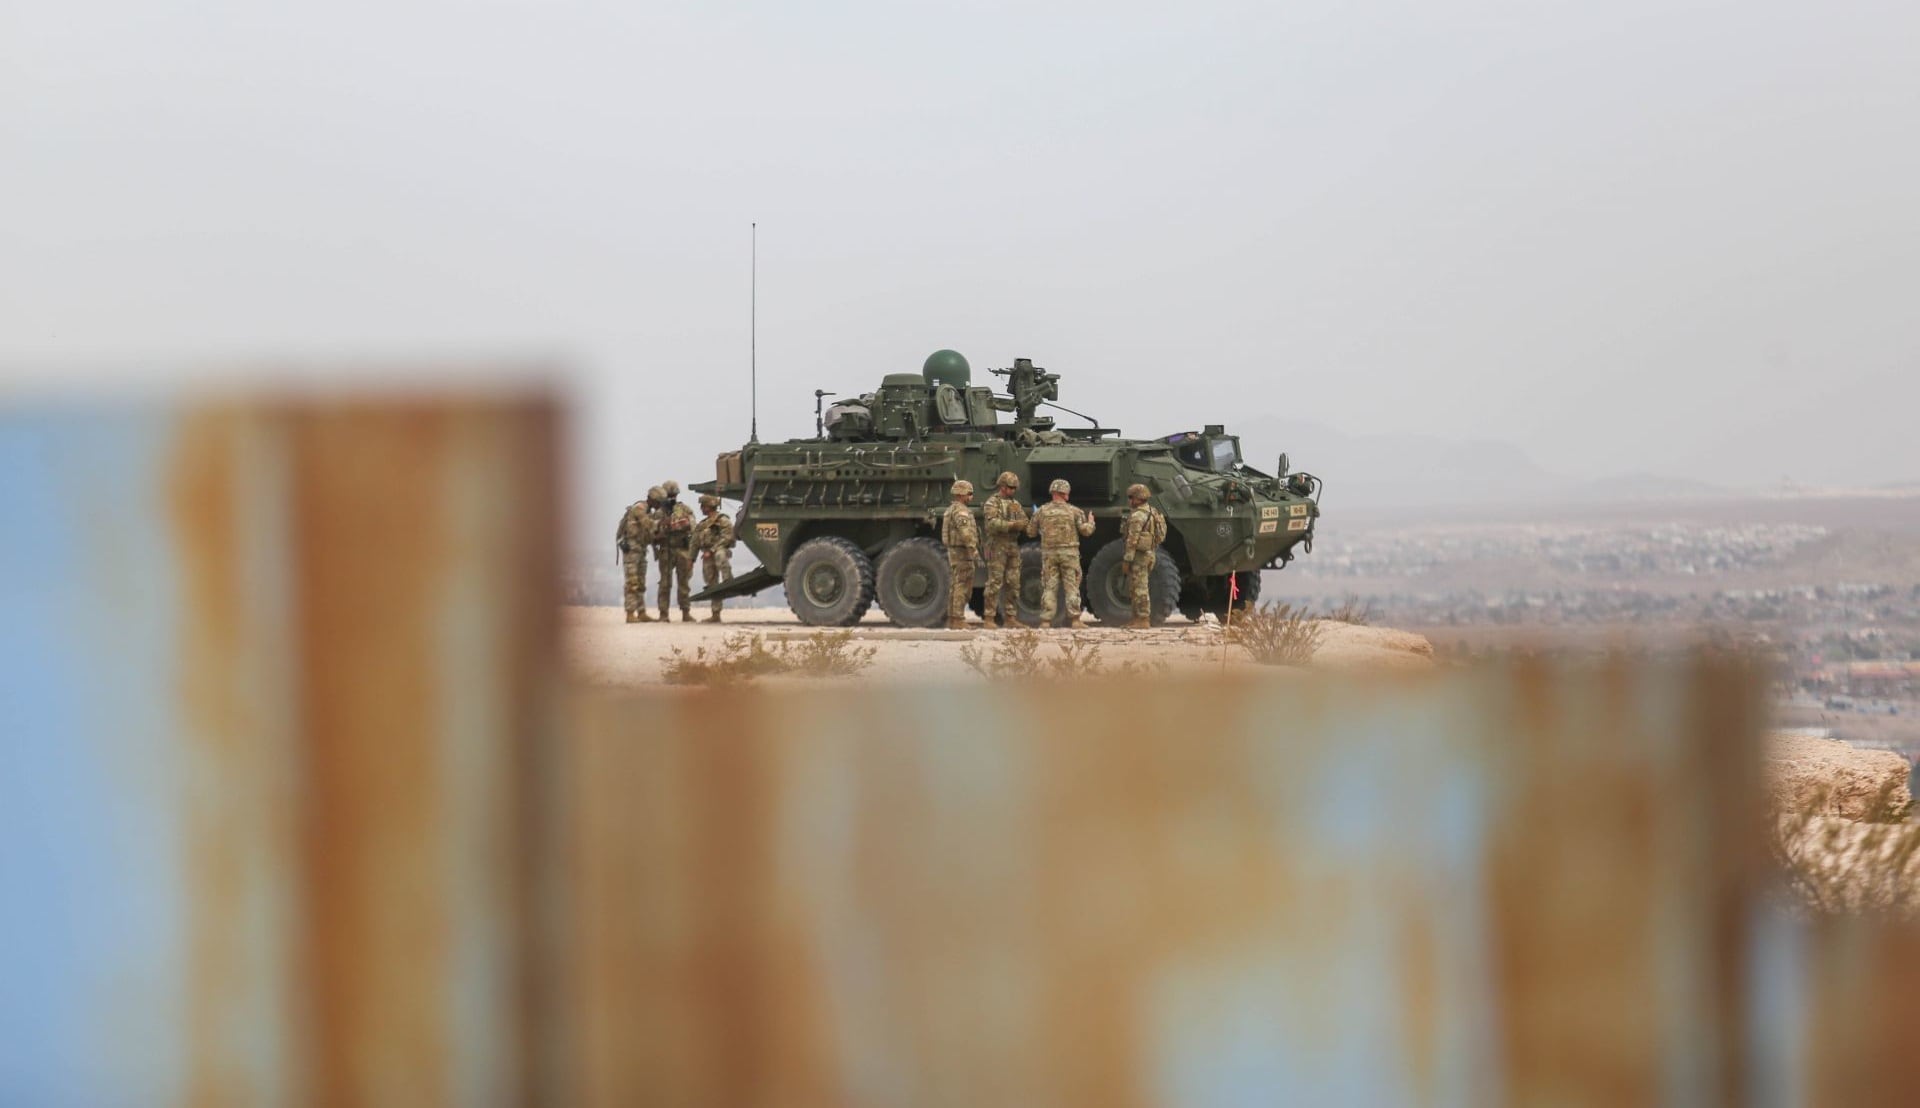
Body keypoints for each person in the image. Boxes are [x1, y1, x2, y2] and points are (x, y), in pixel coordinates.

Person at [1024, 478, 1094, 627]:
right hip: (1069, 554)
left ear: (1052, 493)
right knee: (1071, 586)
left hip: (1049, 554)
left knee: (1049, 586)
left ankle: (1046, 621)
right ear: (1066, 494)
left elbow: (1030, 532)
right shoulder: (1075, 511)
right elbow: (1086, 531)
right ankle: (1075, 620)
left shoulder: (1042, 511)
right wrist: (1091, 522)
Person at [980, 471, 1028, 629]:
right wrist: (1012, 525)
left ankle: (1010, 617)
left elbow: (1023, 519)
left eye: (1015, 488)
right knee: (995, 582)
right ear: (1002, 486)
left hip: (1012, 545)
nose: (1013, 490)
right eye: (1010, 487)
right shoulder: (992, 503)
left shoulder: (1014, 504)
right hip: (997, 545)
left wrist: (1022, 524)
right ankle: (989, 617)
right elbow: (992, 523)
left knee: (1013, 582)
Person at [1119, 483, 1165, 629]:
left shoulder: (1138, 516)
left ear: (1137, 499)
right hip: (1149, 553)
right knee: (1135, 587)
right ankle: (1136, 619)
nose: (1129, 500)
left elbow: (1132, 540)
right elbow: (1160, 535)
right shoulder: (1153, 512)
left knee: (1140, 588)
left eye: (1131, 497)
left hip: (1139, 556)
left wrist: (1127, 559)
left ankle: (1143, 619)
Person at [940, 479, 982, 630]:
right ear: (962, 494)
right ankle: (958, 619)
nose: (971, 496)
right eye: (970, 493)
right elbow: (965, 534)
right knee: (963, 584)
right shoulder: (961, 511)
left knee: (956, 583)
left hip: (955, 551)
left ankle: (953, 618)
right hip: (962, 552)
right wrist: (974, 551)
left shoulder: (951, 509)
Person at [615, 489, 661, 623]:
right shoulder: (639, 508)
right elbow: (648, 525)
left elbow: (649, 533)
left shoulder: (648, 512)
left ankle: (641, 612)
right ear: (652, 499)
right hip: (632, 551)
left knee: (641, 583)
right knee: (632, 582)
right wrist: (661, 524)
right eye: (658, 502)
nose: (659, 505)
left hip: (640, 550)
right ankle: (630, 613)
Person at [655, 479, 696, 622]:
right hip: (666, 550)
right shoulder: (659, 513)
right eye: (669, 495)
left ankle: (685, 612)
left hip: (682, 549)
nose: (672, 498)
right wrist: (663, 526)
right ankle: (663, 614)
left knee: (684, 582)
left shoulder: (684, 509)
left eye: (673, 495)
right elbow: (653, 530)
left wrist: (675, 525)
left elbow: (692, 525)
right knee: (665, 583)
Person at [692, 494, 735, 622]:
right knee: (711, 582)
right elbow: (694, 542)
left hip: (719, 550)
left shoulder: (723, 521)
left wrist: (712, 550)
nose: (701, 508)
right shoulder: (703, 525)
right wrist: (691, 558)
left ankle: (728, 578)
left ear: (709, 507)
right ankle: (715, 613)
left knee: (720, 555)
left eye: (703, 506)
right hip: (706, 555)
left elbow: (727, 538)